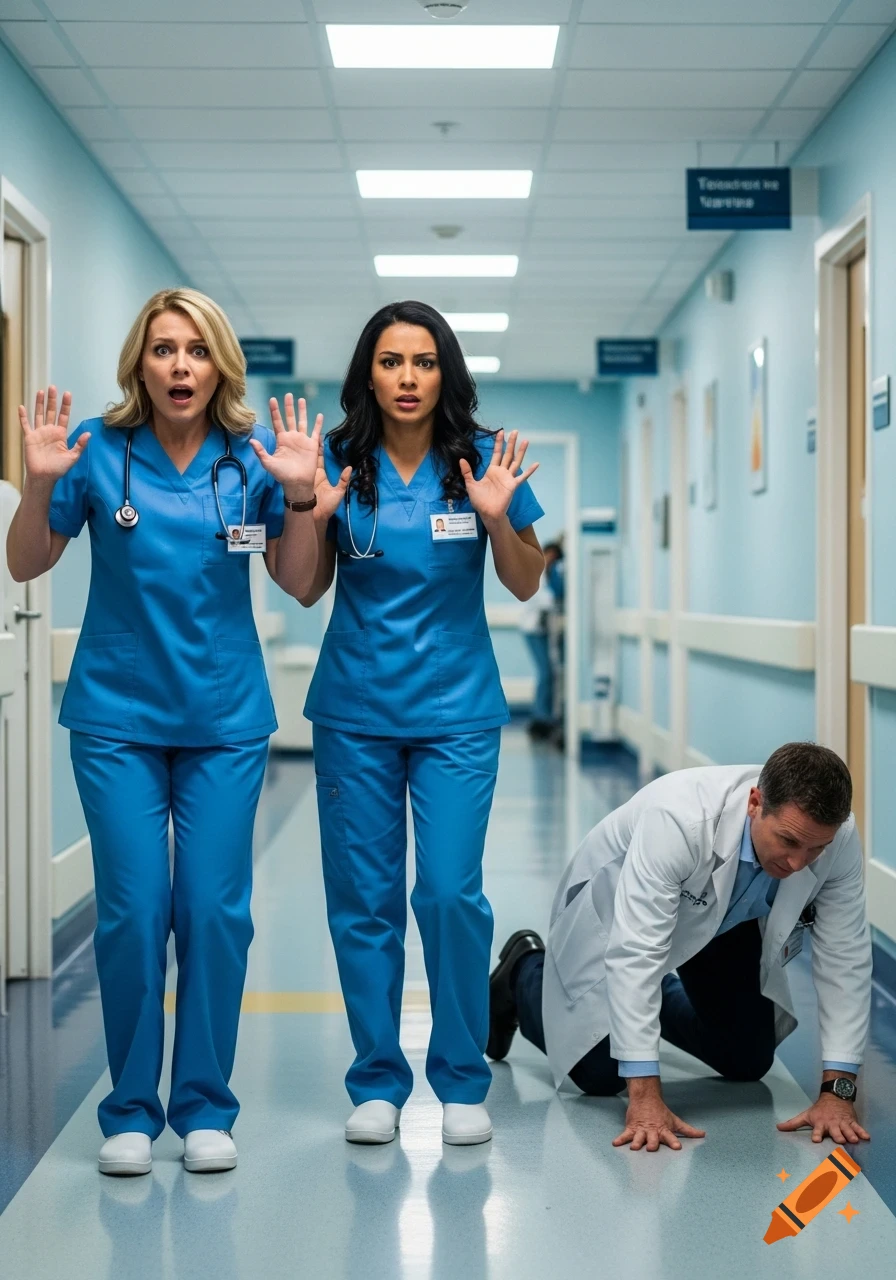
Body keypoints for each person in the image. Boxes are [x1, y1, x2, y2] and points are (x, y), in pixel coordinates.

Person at [5, 288, 320, 1177]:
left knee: (214, 914)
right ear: (138, 364)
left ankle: (206, 1106)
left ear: (219, 363)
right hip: (117, 719)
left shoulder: (253, 460)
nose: (180, 366)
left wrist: (299, 501)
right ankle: (133, 1108)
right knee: (136, 912)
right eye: (162, 349)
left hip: (223, 721)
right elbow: (28, 560)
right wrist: (36, 487)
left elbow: (301, 585)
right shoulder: (99, 455)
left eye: (196, 350)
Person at [300, 300, 545, 1147]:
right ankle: (376, 1081)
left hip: (455, 713)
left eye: (425, 362)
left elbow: (523, 582)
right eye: (393, 362)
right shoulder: (335, 458)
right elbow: (304, 585)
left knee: (447, 892)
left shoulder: (484, 458)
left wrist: (495, 518)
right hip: (356, 711)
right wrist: (309, 511)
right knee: (363, 903)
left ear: (448, 373)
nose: (409, 378)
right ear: (369, 372)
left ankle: (461, 1077)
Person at [488, 743, 873, 1152]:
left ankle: (657, 998)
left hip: (724, 921)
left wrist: (839, 1092)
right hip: (622, 913)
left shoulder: (839, 837)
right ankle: (524, 970)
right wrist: (645, 1095)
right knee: (601, 1076)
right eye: (789, 841)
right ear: (755, 803)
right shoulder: (680, 818)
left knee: (746, 1059)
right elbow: (636, 950)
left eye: (816, 849)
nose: (799, 864)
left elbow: (844, 956)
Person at [518, 540, 562, 739]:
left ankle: (544, 715)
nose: (551, 559)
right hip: (532, 629)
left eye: (554, 556)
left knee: (549, 673)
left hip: (542, 629)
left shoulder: (552, 574)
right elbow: (544, 599)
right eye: (549, 555)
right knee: (545, 673)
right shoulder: (539, 572)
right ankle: (540, 717)